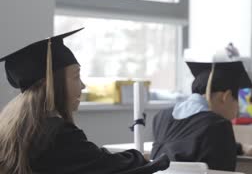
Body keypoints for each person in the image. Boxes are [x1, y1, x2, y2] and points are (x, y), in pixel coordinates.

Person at [0, 28, 169, 174]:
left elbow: (90, 158)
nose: (82, 85)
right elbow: (106, 167)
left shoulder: (12, 128)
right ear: (51, 84)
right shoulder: (57, 135)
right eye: (76, 76)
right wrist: (140, 158)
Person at [151, 61, 252, 171]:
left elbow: (189, 144)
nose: (237, 112)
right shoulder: (218, 125)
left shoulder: (161, 117)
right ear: (226, 96)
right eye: (237, 103)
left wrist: (241, 148)